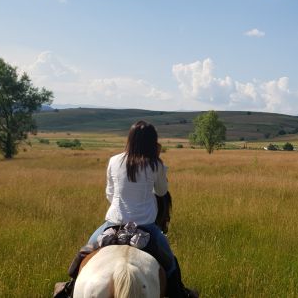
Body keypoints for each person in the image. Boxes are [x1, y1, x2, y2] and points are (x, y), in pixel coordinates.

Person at [56, 121, 197, 298]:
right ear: (152, 142)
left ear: (130, 139)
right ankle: (180, 293)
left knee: (83, 253)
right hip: (146, 226)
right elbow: (161, 191)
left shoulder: (114, 161)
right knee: (171, 263)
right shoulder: (156, 164)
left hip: (114, 223)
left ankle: (69, 287)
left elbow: (110, 193)